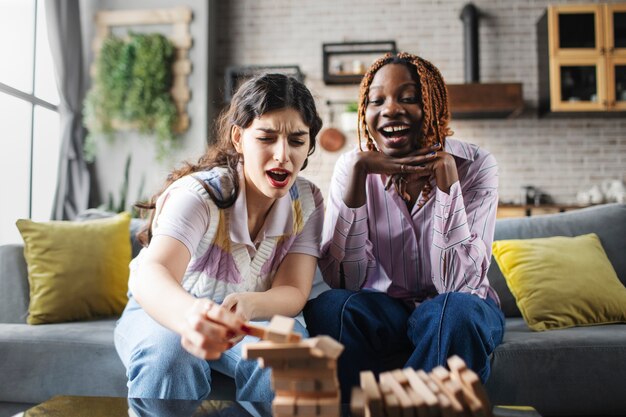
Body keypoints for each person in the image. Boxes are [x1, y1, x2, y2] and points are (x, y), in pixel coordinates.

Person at [303, 52, 505, 401]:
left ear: (432, 105)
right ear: (365, 114)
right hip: (389, 310)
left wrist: (447, 188)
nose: (390, 109)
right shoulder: (352, 168)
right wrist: (356, 183)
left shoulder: (476, 165)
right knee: (329, 306)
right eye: (376, 100)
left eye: (408, 98)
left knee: (452, 312)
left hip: (464, 307)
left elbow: (457, 284)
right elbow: (344, 281)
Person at [114, 73, 324, 401]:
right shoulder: (198, 195)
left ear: (310, 144)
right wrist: (191, 317)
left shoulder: (308, 201)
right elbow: (151, 275)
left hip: (253, 316)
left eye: (297, 141)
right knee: (168, 358)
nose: (283, 155)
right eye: (266, 138)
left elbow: (294, 289)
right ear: (238, 138)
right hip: (170, 309)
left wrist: (251, 304)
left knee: (290, 366)